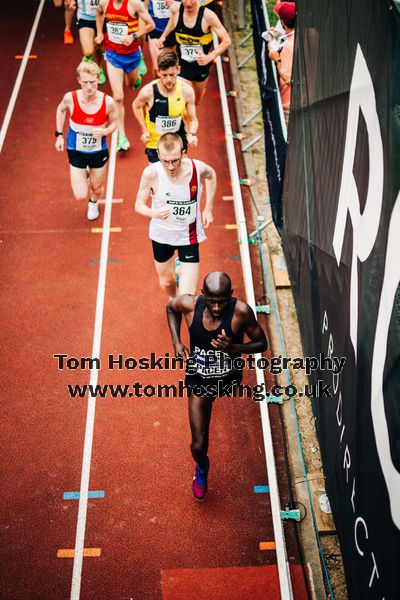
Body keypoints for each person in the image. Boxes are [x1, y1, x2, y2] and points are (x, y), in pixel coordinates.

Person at [166, 271, 268, 501]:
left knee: (213, 400)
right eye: (211, 301)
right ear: (203, 295)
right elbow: (170, 308)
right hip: (199, 381)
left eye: (222, 301)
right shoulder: (189, 304)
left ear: (231, 295)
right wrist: (176, 341)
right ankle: (202, 468)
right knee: (198, 445)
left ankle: (211, 398)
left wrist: (235, 349)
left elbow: (262, 343)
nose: (217, 307)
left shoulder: (241, 312)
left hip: (228, 380)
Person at [135, 132, 215, 298]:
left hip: (189, 237)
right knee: (166, 283)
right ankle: (173, 294)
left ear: (183, 153)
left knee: (187, 297)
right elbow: (139, 205)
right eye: (165, 161)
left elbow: (211, 175)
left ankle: (180, 298)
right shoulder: (151, 173)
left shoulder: (196, 168)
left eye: (175, 161)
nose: (170, 166)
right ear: (158, 154)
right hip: (161, 236)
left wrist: (208, 208)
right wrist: (154, 213)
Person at [55, 61, 118, 220]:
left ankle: (94, 202)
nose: (89, 87)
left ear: (98, 79)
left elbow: (116, 122)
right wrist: (59, 135)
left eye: (92, 82)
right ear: (79, 81)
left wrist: (106, 130)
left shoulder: (107, 102)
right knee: (79, 195)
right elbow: (61, 110)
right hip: (76, 150)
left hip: (98, 151)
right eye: (85, 82)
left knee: (96, 188)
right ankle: (86, 176)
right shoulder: (71, 98)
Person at [95, 0, 155, 151]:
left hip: (132, 55)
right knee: (118, 97)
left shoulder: (134, 4)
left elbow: (150, 25)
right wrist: (100, 33)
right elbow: (98, 12)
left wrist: (135, 35)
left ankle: (136, 78)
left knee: (132, 84)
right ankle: (121, 136)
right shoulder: (104, 2)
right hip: (113, 54)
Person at [157, 0, 231, 104]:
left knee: (197, 100)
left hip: (201, 68)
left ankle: (198, 97)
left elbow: (227, 41)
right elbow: (172, 21)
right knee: (185, 100)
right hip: (181, 66)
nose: (188, 3)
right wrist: (163, 36)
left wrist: (210, 57)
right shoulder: (176, 9)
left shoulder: (208, 17)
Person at [132, 49, 198, 163]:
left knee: (179, 177)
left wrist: (191, 134)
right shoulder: (148, 91)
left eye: (172, 75)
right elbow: (136, 105)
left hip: (178, 141)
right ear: (158, 72)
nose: (168, 80)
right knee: (157, 178)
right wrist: (143, 129)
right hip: (155, 143)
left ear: (178, 70)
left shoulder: (186, 91)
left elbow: (193, 119)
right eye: (164, 75)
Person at [268, 1, 295, 125]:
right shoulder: (310, 34)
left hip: (289, 105)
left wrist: (277, 58)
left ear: (283, 22)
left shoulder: (289, 47)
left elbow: (289, 79)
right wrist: (279, 37)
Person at [68, 0, 106, 84]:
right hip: (85, 17)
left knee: (99, 46)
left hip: (102, 16)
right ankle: (88, 58)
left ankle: (98, 67)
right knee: (88, 52)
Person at [145, 0, 176, 76]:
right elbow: (145, 8)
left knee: (169, 64)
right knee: (158, 66)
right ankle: (156, 87)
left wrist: (174, 4)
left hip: (172, 30)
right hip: (155, 29)